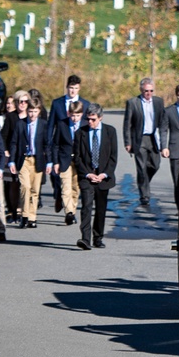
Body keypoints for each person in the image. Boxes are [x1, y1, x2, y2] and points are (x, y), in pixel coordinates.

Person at [73, 104, 118, 250]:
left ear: (100, 117)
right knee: (86, 206)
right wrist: (87, 173)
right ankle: (85, 239)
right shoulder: (80, 133)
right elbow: (77, 158)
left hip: (103, 177)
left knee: (100, 208)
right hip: (87, 175)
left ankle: (98, 237)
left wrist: (103, 174)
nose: (90, 122)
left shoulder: (110, 132)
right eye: (88, 119)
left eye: (93, 119)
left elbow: (113, 157)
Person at [47, 74, 88, 212]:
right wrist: (48, 148)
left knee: (75, 186)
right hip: (61, 148)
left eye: (75, 88)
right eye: (71, 88)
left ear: (79, 88)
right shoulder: (57, 103)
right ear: (67, 87)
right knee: (60, 180)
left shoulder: (85, 104)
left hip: (77, 153)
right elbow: (51, 125)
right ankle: (60, 197)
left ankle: (70, 209)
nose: (73, 91)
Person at [123, 77, 165, 208]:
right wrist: (127, 142)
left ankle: (144, 181)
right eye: (146, 91)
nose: (149, 93)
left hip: (153, 138)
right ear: (141, 90)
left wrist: (164, 144)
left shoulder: (158, 102)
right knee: (141, 168)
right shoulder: (133, 102)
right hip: (139, 139)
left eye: (151, 91)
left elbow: (163, 123)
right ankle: (144, 195)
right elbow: (127, 124)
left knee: (155, 165)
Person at [9, 99, 48, 228]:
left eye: (35, 111)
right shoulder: (20, 124)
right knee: (25, 187)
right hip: (24, 159)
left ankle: (32, 217)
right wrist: (11, 161)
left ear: (39, 112)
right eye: (30, 111)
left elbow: (47, 144)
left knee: (35, 190)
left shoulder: (43, 124)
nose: (32, 114)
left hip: (37, 160)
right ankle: (24, 216)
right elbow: (13, 143)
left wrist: (50, 162)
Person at [51, 99, 86, 226]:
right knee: (65, 187)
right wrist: (55, 162)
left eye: (77, 115)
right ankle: (69, 212)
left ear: (82, 114)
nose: (75, 118)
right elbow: (55, 144)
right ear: (68, 113)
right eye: (72, 115)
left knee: (75, 188)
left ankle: (72, 210)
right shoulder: (62, 124)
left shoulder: (84, 125)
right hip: (64, 160)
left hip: (78, 161)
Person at [0, 91, 30, 223]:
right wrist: (5, 150)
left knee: (25, 185)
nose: (22, 104)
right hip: (12, 154)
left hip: (27, 156)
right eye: (19, 102)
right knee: (12, 183)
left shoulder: (32, 116)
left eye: (25, 101)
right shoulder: (11, 117)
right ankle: (12, 211)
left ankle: (23, 210)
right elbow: (4, 135)